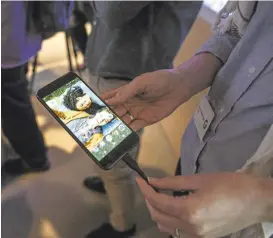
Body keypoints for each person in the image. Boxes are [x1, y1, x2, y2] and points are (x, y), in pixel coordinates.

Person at [101, 1, 273, 237]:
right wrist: (184, 78)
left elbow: (112, 11)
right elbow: (239, 33)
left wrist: (263, 201)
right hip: (194, 156)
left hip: (250, 221)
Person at [83, 1, 202, 237]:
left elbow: (112, 11)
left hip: (125, 71)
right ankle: (110, 184)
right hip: (124, 64)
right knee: (115, 151)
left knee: (114, 160)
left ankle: (122, 225)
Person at [1, 1, 50, 175]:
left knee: (13, 106)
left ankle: (35, 157)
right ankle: (35, 155)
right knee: (16, 100)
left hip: (8, 44)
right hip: (21, 35)